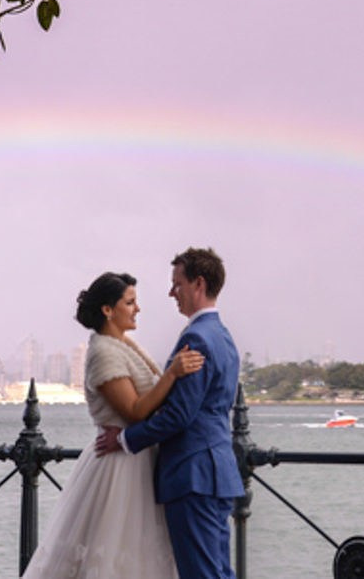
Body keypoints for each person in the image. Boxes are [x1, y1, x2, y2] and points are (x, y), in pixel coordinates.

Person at [21, 271, 204, 579]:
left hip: (137, 458)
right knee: (113, 551)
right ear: (108, 309)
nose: (137, 309)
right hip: (119, 465)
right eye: (130, 303)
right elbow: (135, 411)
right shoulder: (104, 353)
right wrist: (172, 374)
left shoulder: (122, 345)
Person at [97, 247, 241, 579]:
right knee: (219, 573)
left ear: (199, 284)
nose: (171, 293)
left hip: (193, 475)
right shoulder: (223, 335)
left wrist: (125, 439)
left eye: (177, 284)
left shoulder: (197, 337)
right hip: (218, 471)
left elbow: (179, 415)